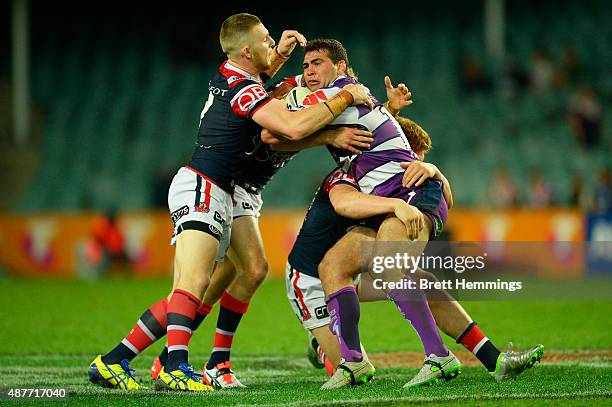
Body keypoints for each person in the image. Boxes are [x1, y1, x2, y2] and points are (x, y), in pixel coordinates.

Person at [88, 13, 372, 392]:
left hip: (230, 190)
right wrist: (340, 108)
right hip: (210, 184)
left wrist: (285, 62)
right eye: (267, 39)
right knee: (195, 282)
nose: (275, 45)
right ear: (246, 49)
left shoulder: (250, 80)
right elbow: (283, 130)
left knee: (248, 270)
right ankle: (173, 364)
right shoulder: (248, 89)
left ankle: (125, 358)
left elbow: (265, 80)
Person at [285, 117, 543, 389]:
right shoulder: (348, 174)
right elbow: (344, 203)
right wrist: (397, 204)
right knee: (351, 376)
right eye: (412, 154)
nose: (412, 162)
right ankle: (321, 342)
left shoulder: (385, 179)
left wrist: (434, 171)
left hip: (350, 267)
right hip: (310, 279)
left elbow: (447, 199)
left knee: (420, 282)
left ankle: (493, 358)